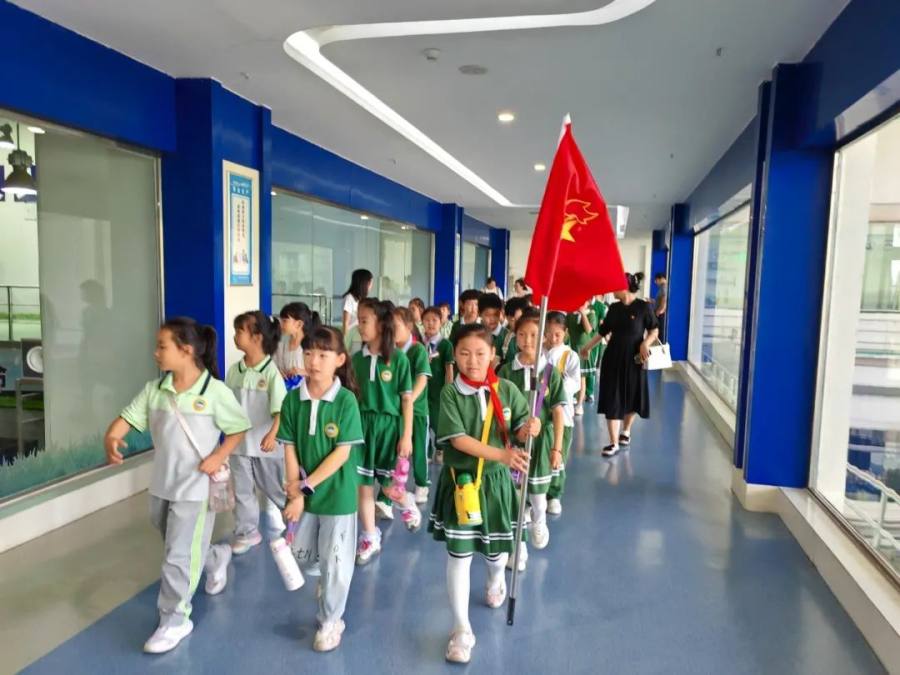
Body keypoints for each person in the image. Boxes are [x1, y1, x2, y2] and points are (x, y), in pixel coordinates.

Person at [103, 317, 251, 654]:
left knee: (177, 556)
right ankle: (216, 557)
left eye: (162, 346)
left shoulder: (214, 392)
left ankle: (174, 620)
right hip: (162, 486)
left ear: (186, 350)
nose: (155, 352)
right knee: (177, 543)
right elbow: (126, 419)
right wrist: (111, 437)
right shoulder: (155, 390)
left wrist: (219, 454)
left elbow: (239, 428)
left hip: (196, 489)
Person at [428, 323, 539, 664]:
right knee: (458, 557)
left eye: (480, 353)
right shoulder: (450, 393)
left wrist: (529, 428)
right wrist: (502, 455)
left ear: (493, 354)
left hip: (496, 485)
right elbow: (458, 440)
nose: (472, 361)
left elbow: (519, 431)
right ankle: (461, 630)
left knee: (495, 554)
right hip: (461, 484)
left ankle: (495, 579)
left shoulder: (507, 390)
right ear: (455, 355)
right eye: (464, 353)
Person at [279, 326, 364, 653]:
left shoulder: (345, 401)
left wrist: (305, 487)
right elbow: (289, 447)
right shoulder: (293, 399)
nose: (314, 361)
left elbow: (342, 453)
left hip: (337, 495)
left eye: (323, 355)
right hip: (305, 493)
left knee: (336, 561)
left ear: (339, 360)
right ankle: (327, 582)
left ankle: (331, 620)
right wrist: (294, 493)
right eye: (309, 353)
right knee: (303, 555)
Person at [351, 298, 417, 564]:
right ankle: (370, 536)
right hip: (362, 428)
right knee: (364, 486)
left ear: (380, 324)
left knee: (389, 488)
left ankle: (406, 501)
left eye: (364, 320)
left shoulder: (399, 359)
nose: (359, 325)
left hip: (390, 429)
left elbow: (406, 400)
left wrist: (407, 435)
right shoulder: (356, 359)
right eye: (358, 320)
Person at [498, 308, 566, 554]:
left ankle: (539, 519)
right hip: (514, 441)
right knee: (514, 493)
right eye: (522, 334)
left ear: (544, 338)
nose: (528, 340)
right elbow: (499, 409)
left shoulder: (550, 372)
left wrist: (557, 449)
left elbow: (558, 412)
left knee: (537, 492)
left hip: (541, 442)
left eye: (534, 335)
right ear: (514, 336)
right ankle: (519, 547)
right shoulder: (506, 371)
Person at [225, 311, 288, 555]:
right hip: (239, 446)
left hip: (265, 447)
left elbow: (281, 411)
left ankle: (295, 521)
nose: (235, 336)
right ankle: (247, 532)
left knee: (276, 489)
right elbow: (226, 406)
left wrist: (273, 435)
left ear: (257, 337)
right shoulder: (234, 370)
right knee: (242, 491)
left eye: (240, 331)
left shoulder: (271, 373)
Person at [581, 272, 659, 457]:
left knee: (632, 396)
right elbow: (602, 332)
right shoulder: (614, 309)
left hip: (635, 359)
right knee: (613, 397)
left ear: (624, 287)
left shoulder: (643, 307)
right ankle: (613, 442)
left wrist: (645, 343)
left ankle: (626, 431)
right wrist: (587, 347)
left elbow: (654, 329)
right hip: (613, 358)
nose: (611, 290)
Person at [542, 312, 580, 516]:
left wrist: (554, 387)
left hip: (563, 416)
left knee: (558, 455)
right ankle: (537, 490)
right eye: (549, 333)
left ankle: (554, 494)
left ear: (565, 333)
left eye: (557, 334)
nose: (553, 338)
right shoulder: (539, 352)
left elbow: (574, 383)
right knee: (540, 454)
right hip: (540, 414)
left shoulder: (570, 356)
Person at [394, 306, 432, 504]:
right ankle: (394, 485)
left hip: (417, 411)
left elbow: (422, 379)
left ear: (409, 326)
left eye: (396, 326)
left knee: (419, 450)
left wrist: (409, 400)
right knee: (398, 448)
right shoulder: (391, 352)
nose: (392, 330)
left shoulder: (417, 350)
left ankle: (422, 483)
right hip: (397, 411)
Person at [422, 305, 454, 465]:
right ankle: (426, 450)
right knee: (423, 421)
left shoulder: (445, 345)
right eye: (427, 320)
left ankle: (440, 448)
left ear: (441, 322)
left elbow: (449, 369)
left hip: (438, 390)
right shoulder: (419, 344)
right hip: (422, 390)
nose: (430, 323)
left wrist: (449, 389)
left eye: (434, 320)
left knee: (437, 421)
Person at [276, 302, 321, 391]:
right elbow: (276, 367)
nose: (281, 324)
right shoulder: (281, 346)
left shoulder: (312, 346)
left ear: (299, 324)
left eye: (285, 321)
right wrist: (279, 373)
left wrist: (303, 372)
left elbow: (324, 373)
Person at [565, 301, 597, 416]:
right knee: (570, 376)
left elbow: (588, 330)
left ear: (588, 302)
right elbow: (566, 331)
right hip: (572, 348)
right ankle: (571, 400)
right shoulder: (570, 314)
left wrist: (583, 313)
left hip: (584, 349)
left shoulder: (591, 314)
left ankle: (579, 405)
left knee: (581, 377)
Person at [342, 269, 374, 354]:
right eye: (370, 283)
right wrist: (345, 341)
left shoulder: (362, 299)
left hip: (361, 335)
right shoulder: (350, 298)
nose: (371, 286)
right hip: (353, 336)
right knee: (354, 356)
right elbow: (346, 322)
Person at [586, 296, 609, 402]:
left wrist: (608, 339)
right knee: (580, 367)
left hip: (594, 342)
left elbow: (603, 326)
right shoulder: (581, 302)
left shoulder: (600, 307)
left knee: (591, 366)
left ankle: (589, 392)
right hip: (582, 340)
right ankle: (579, 393)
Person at [477, 292, 506, 367]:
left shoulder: (508, 338)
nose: (492, 319)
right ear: (479, 313)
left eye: (496, 315)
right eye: (488, 315)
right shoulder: (474, 334)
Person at [500, 296, 530, 366]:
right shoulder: (503, 337)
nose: (516, 323)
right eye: (512, 320)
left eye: (519, 319)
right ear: (506, 317)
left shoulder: (533, 337)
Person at [653, 272, 668, 343]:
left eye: (656, 280)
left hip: (660, 314)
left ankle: (660, 346)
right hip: (660, 313)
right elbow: (659, 300)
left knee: (660, 333)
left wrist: (659, 311)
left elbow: (664, 299)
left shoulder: (664, 287)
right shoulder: (662, 287)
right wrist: (652, 300)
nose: (656, 282)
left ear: (661, 279)